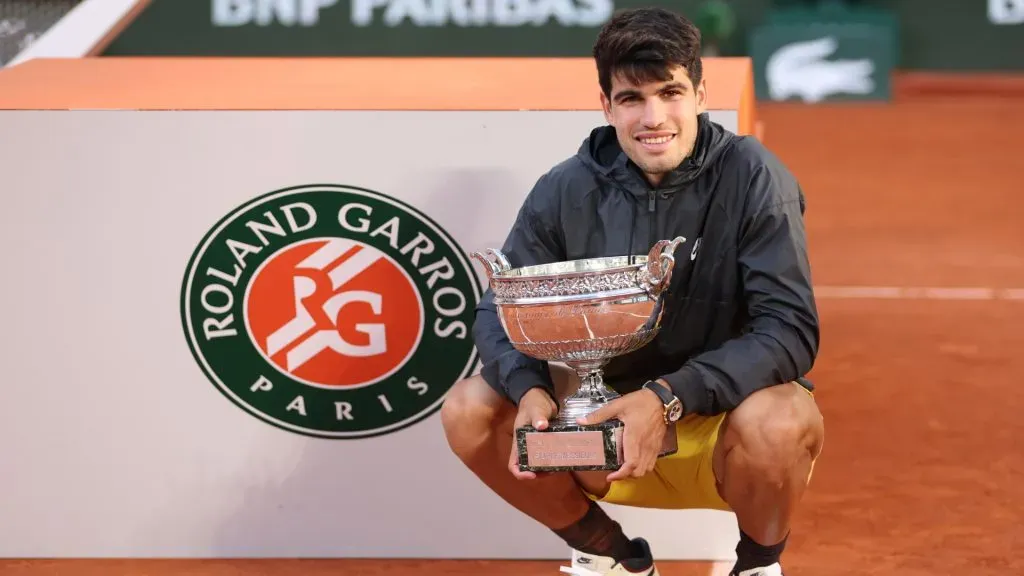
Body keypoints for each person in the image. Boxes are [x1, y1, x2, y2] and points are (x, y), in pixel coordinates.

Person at [441, 7, 825, 576]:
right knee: (469, 409)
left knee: (781, 418)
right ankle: (610, 555)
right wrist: (526, 389)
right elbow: (500, 306)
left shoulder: (752, 175)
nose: (654, 118)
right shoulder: (565, 187)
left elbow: (790, 330)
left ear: (699, 93)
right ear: (606, 106)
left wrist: (667, 397)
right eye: (631, 99)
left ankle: (757, 565)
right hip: (604, 433)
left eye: (670, 92)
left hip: (723, 429)